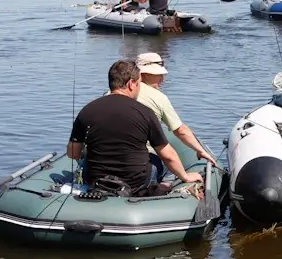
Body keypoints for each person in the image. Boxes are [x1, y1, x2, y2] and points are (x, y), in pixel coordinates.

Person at [67, 60, 202, 197]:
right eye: (139, 85)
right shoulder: (145, 113)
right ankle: (158, 191)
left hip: (96, 181)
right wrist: (185, 177)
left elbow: (73, 153)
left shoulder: (87, 111)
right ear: (131, 84)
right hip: (136, 184)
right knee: (161, 163)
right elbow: (168, 156)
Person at [132, 52, 220, 170]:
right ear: (145, 74)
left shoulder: (115, 92)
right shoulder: (158, 97)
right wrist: (200, 150)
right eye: (159, 75)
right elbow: (180, 130)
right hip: (143, 159)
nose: (162, 79)